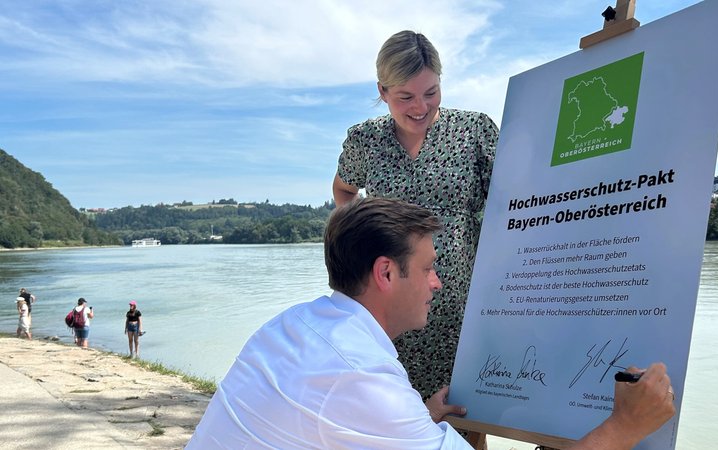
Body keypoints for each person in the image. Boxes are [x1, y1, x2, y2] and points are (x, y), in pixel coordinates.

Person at [187, 197, 675, 449]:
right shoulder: (360, 374)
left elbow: (327, 419)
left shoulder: (294, 324)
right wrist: (625, 426)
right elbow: (353, 398)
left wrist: (416, 421)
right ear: (385, 273)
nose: (437, 283)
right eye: (427, 268)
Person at [332, 30, 498, 402]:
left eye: (431, 92)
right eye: (405, 96)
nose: (421, 107)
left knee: (464, 416)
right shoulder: (365, 140)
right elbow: (344, 190)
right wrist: (363, 240)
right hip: (390, 307)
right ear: (382, 90)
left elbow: (509, 204)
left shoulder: (474, 132)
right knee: (389, 413)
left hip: (463, 305)